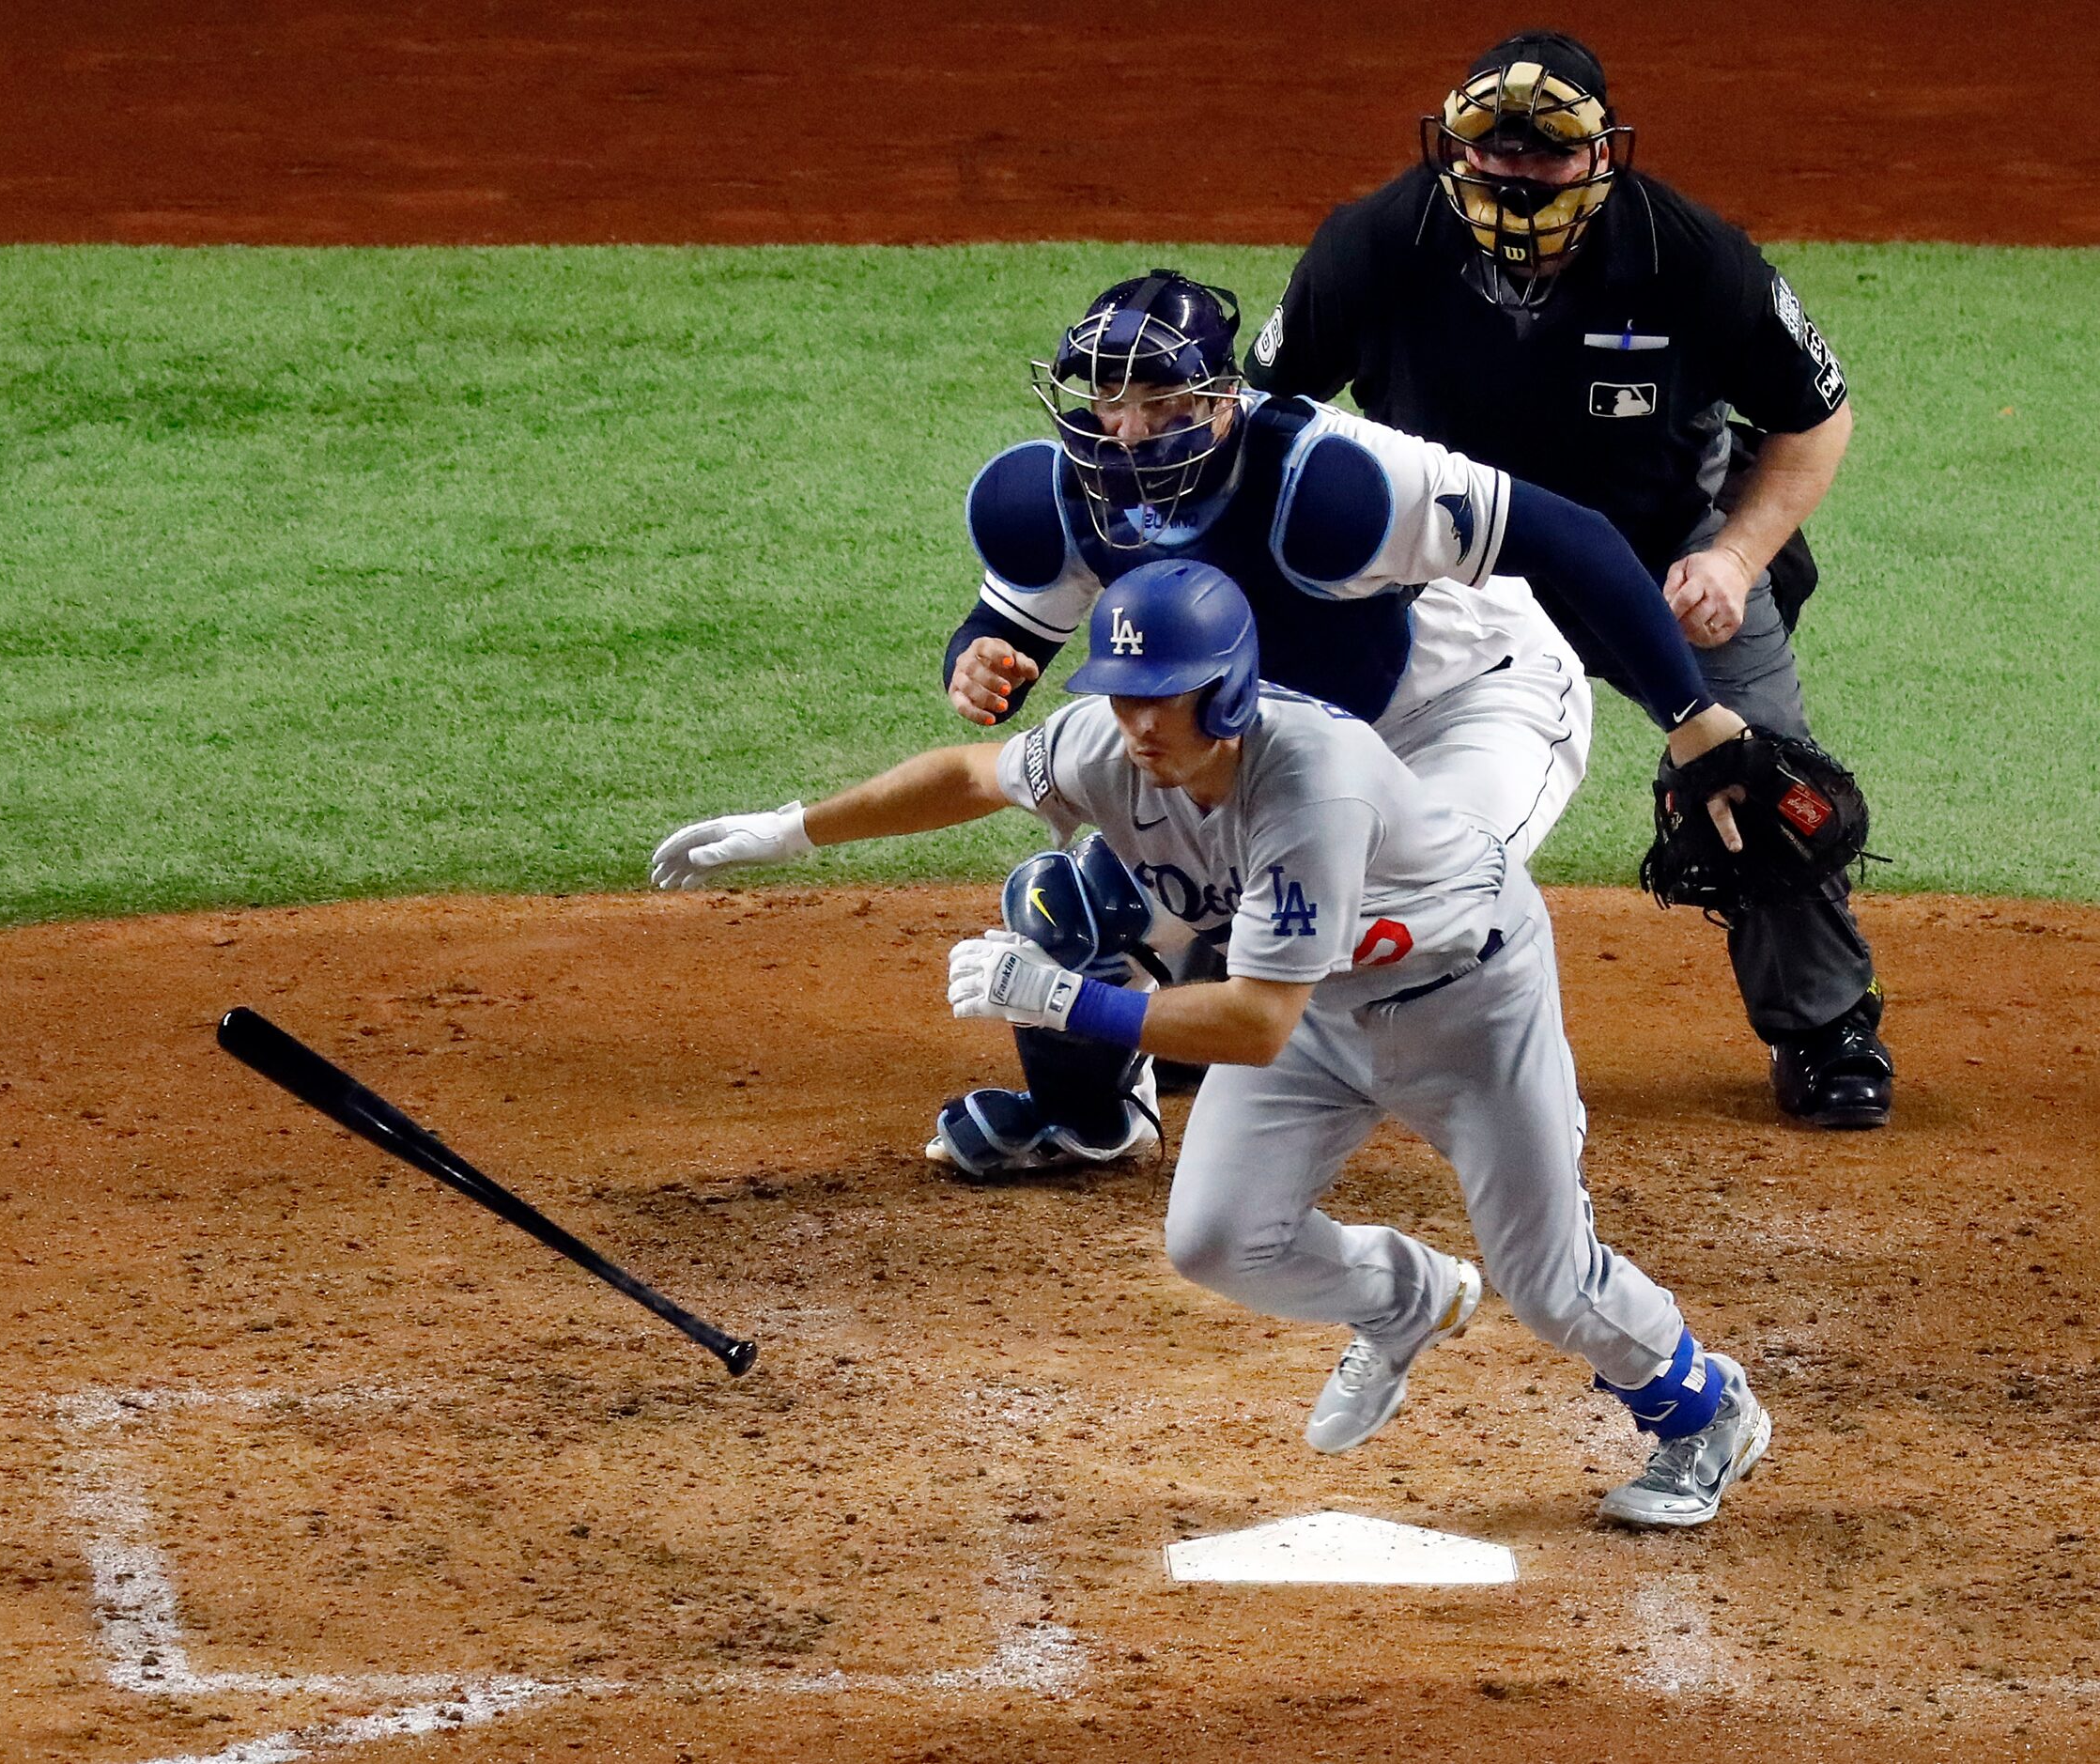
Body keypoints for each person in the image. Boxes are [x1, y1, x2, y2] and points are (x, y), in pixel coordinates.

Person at [654, 561, 1772, 1527]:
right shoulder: (1112, 745)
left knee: (1545, 1285)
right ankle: (1398, 1299)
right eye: (1120, 695)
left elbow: (1250, 1019)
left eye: (1165, 700)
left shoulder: (1311, 787)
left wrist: (1065, 1002)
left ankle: (1705, 1411)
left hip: (1468, 1007)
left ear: (1228, 689)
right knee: (1216, 1239)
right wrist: (788, 829)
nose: (1137, 724)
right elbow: (968, 775)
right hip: (1323, 1010)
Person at [928, 265, 1749, 1172]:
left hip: (1460, 709)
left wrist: (1691, 715)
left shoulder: (1335, 480)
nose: (1124, 428)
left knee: (1410, 920)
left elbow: (1573, 539)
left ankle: (1527, 1122)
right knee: (1068, 911)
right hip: (1266, 744)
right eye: (1105, 399)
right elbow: (1012, 622)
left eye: (1157, 400)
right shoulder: (1072, 487)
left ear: (1218, 399)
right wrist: (982, 659)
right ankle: (1087, 1116)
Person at [1243, 30, 1891, 1130]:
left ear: (1599, 157)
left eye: (1544, 154)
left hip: (1657, 563)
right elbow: (1261, 417)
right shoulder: (1374, 245)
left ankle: (1827, 1027)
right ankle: (1217, 988)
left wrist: (1732, 557)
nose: (1512, 172)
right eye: (1489, 149)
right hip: (1444, 574)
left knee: (1767, 774)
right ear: (1451, 147)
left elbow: (1813, 416)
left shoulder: (1684, 253)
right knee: (1275, 742)